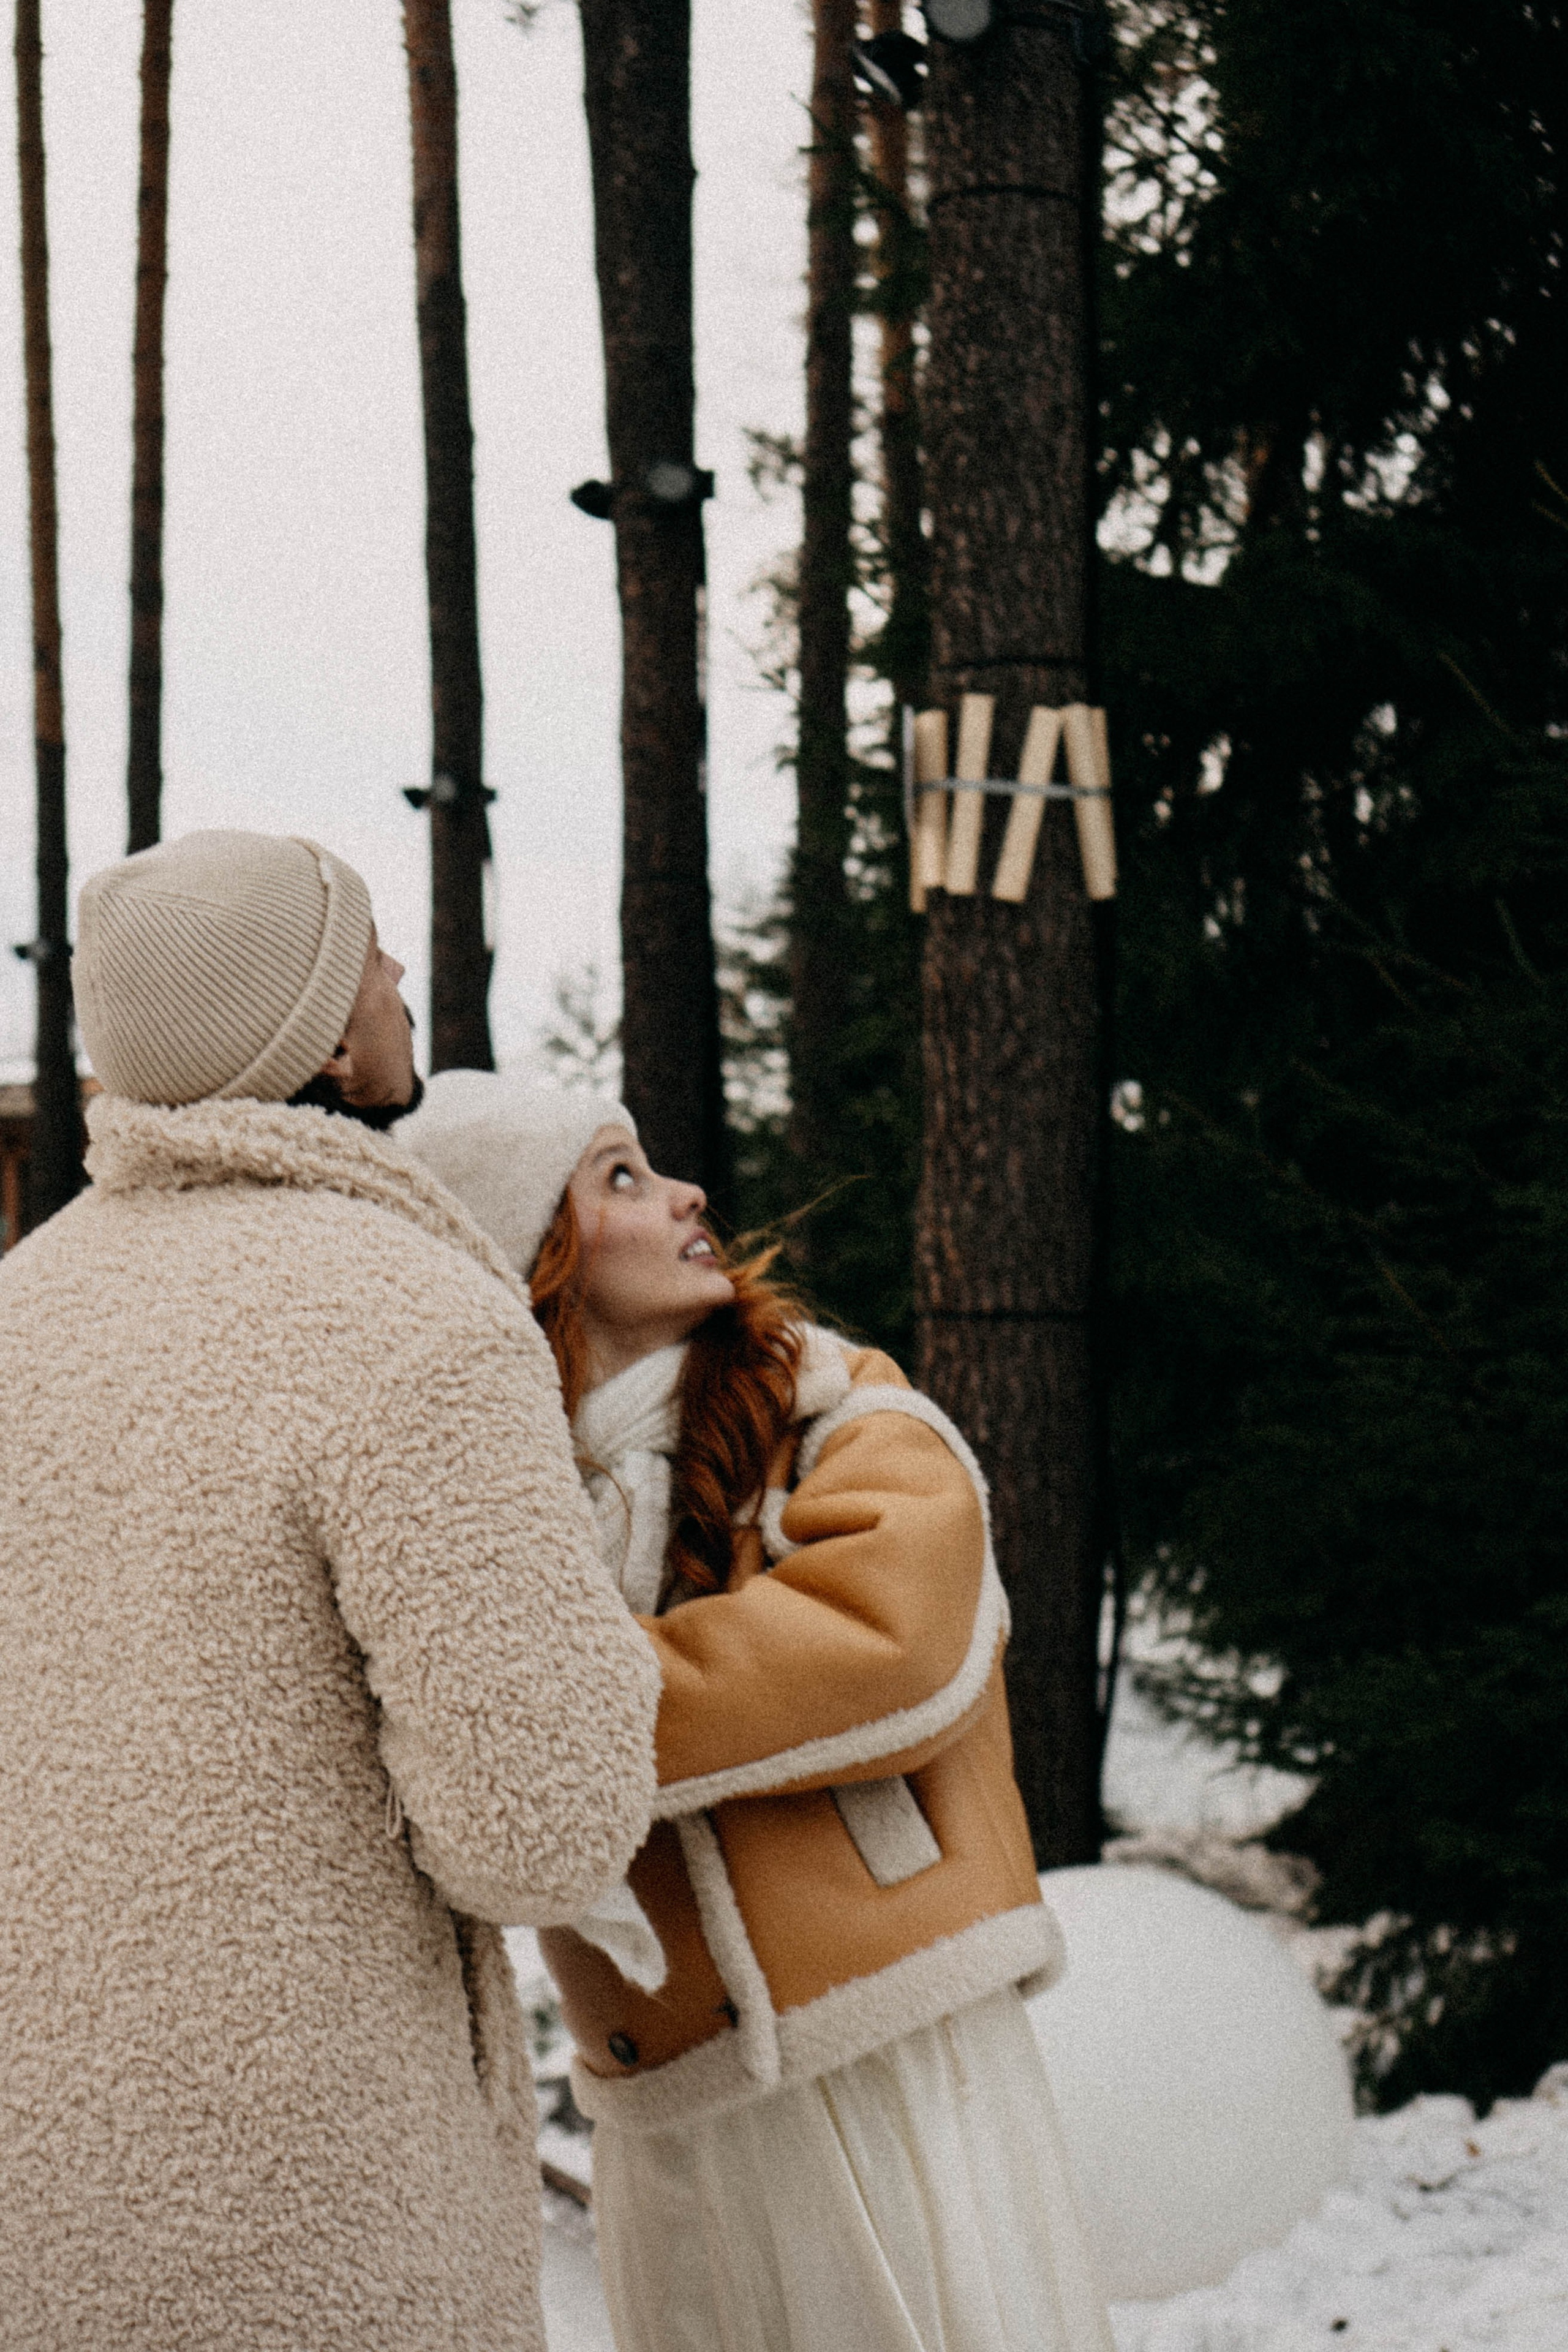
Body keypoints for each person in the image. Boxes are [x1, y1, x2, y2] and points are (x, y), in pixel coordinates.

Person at [0, 832, 660, 2352]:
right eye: (365, 949)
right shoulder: (414, 1319)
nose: (399, 974)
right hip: (304, 2199)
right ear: (304, 1022)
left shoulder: (25, 1310)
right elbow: (542, 1822)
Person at [402, 1068, 1116, 2352]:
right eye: (617, 1176)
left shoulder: (834, 1404)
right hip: (672, 2093)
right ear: (535, 1253)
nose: (687, 1194)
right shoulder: (493, 1512)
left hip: (896, 2050)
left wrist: (568, 1714)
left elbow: (886, 1642)